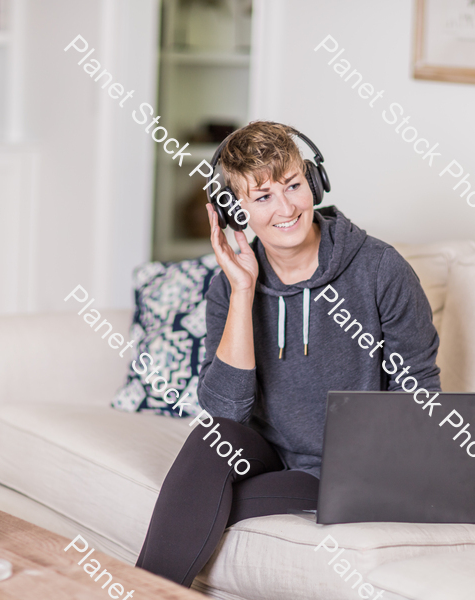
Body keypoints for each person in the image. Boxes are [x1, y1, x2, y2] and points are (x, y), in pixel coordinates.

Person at [135, 121, 440, 587]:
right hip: (266, 452)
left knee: (194, 503)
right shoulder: (228, 288)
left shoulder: (381, 271)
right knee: (209, 441)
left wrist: (384, 477)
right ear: (235, 212)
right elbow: (224, 412)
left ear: (313, 183)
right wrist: (243, 290)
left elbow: (419, 394)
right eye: (263, 198)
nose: (287, 208)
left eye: (294, 185)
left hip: (342, 471)